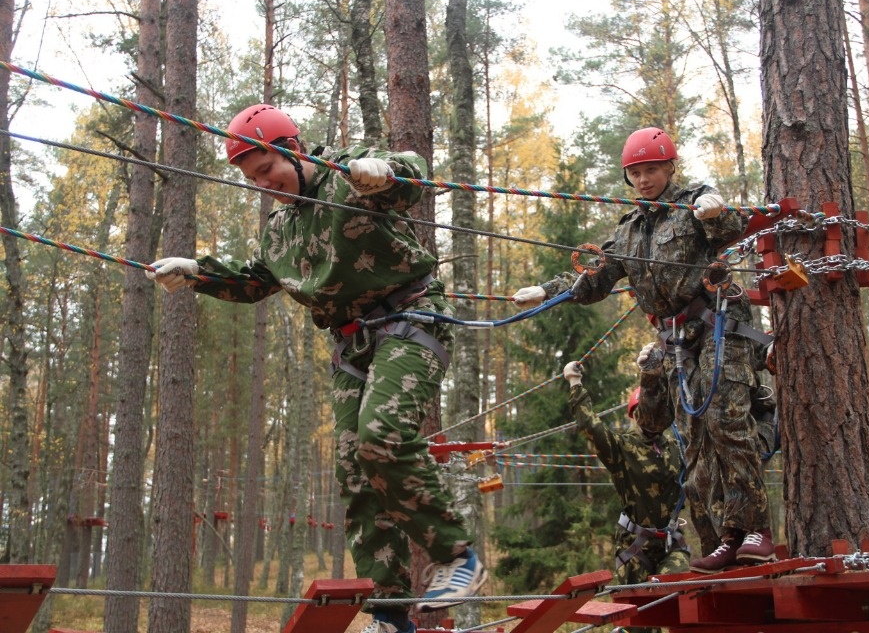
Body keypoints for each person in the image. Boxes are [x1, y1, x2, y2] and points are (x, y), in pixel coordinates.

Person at [146, 104, 486, 633]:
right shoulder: (279, 230)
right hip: (352, 344)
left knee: (382, 437)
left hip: (410, 317)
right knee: (355, 469)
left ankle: (456, 556)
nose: (265, 186)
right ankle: (390, 613)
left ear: (294, 149)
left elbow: (411, 175)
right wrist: (198, 273)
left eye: (267, 170)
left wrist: (383, 173)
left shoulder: (346, 175)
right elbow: (256, 281)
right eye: (253, 180)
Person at [513, 127, 775, 574]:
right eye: (635, 173)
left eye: (652, 169)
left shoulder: (694, 202)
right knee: (693, 442)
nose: (643, 179)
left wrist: (715, 212)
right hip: (676, 342)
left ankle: (754, 529)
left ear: (670, 168)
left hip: (719, 327)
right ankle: (720, 540)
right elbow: (595, 278)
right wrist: (548, 291)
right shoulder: (629, 231)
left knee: (726, 420)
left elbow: (731, 226)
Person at [562, 356, 688, 633]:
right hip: (635, 548)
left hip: (671, 545)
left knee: (672, 598)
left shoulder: (677, 446)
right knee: (638, 624)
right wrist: (575, 382)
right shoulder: (622, 448)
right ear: (634, 415)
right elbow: (591, 426)